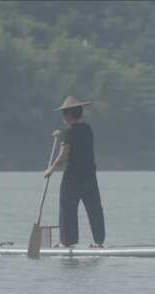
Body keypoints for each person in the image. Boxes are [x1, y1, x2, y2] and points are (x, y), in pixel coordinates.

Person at [44, 96, 106, 248]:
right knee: (94, 209)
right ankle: (99, 241)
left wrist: (50, 169)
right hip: (90, 176)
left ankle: (68, 242)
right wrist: (61, 137)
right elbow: (77, 143)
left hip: (72, 178)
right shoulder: (88, 129)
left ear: (68, 116)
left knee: (68, 209)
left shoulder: (68, 132)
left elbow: (64, 155)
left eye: (64, 114)